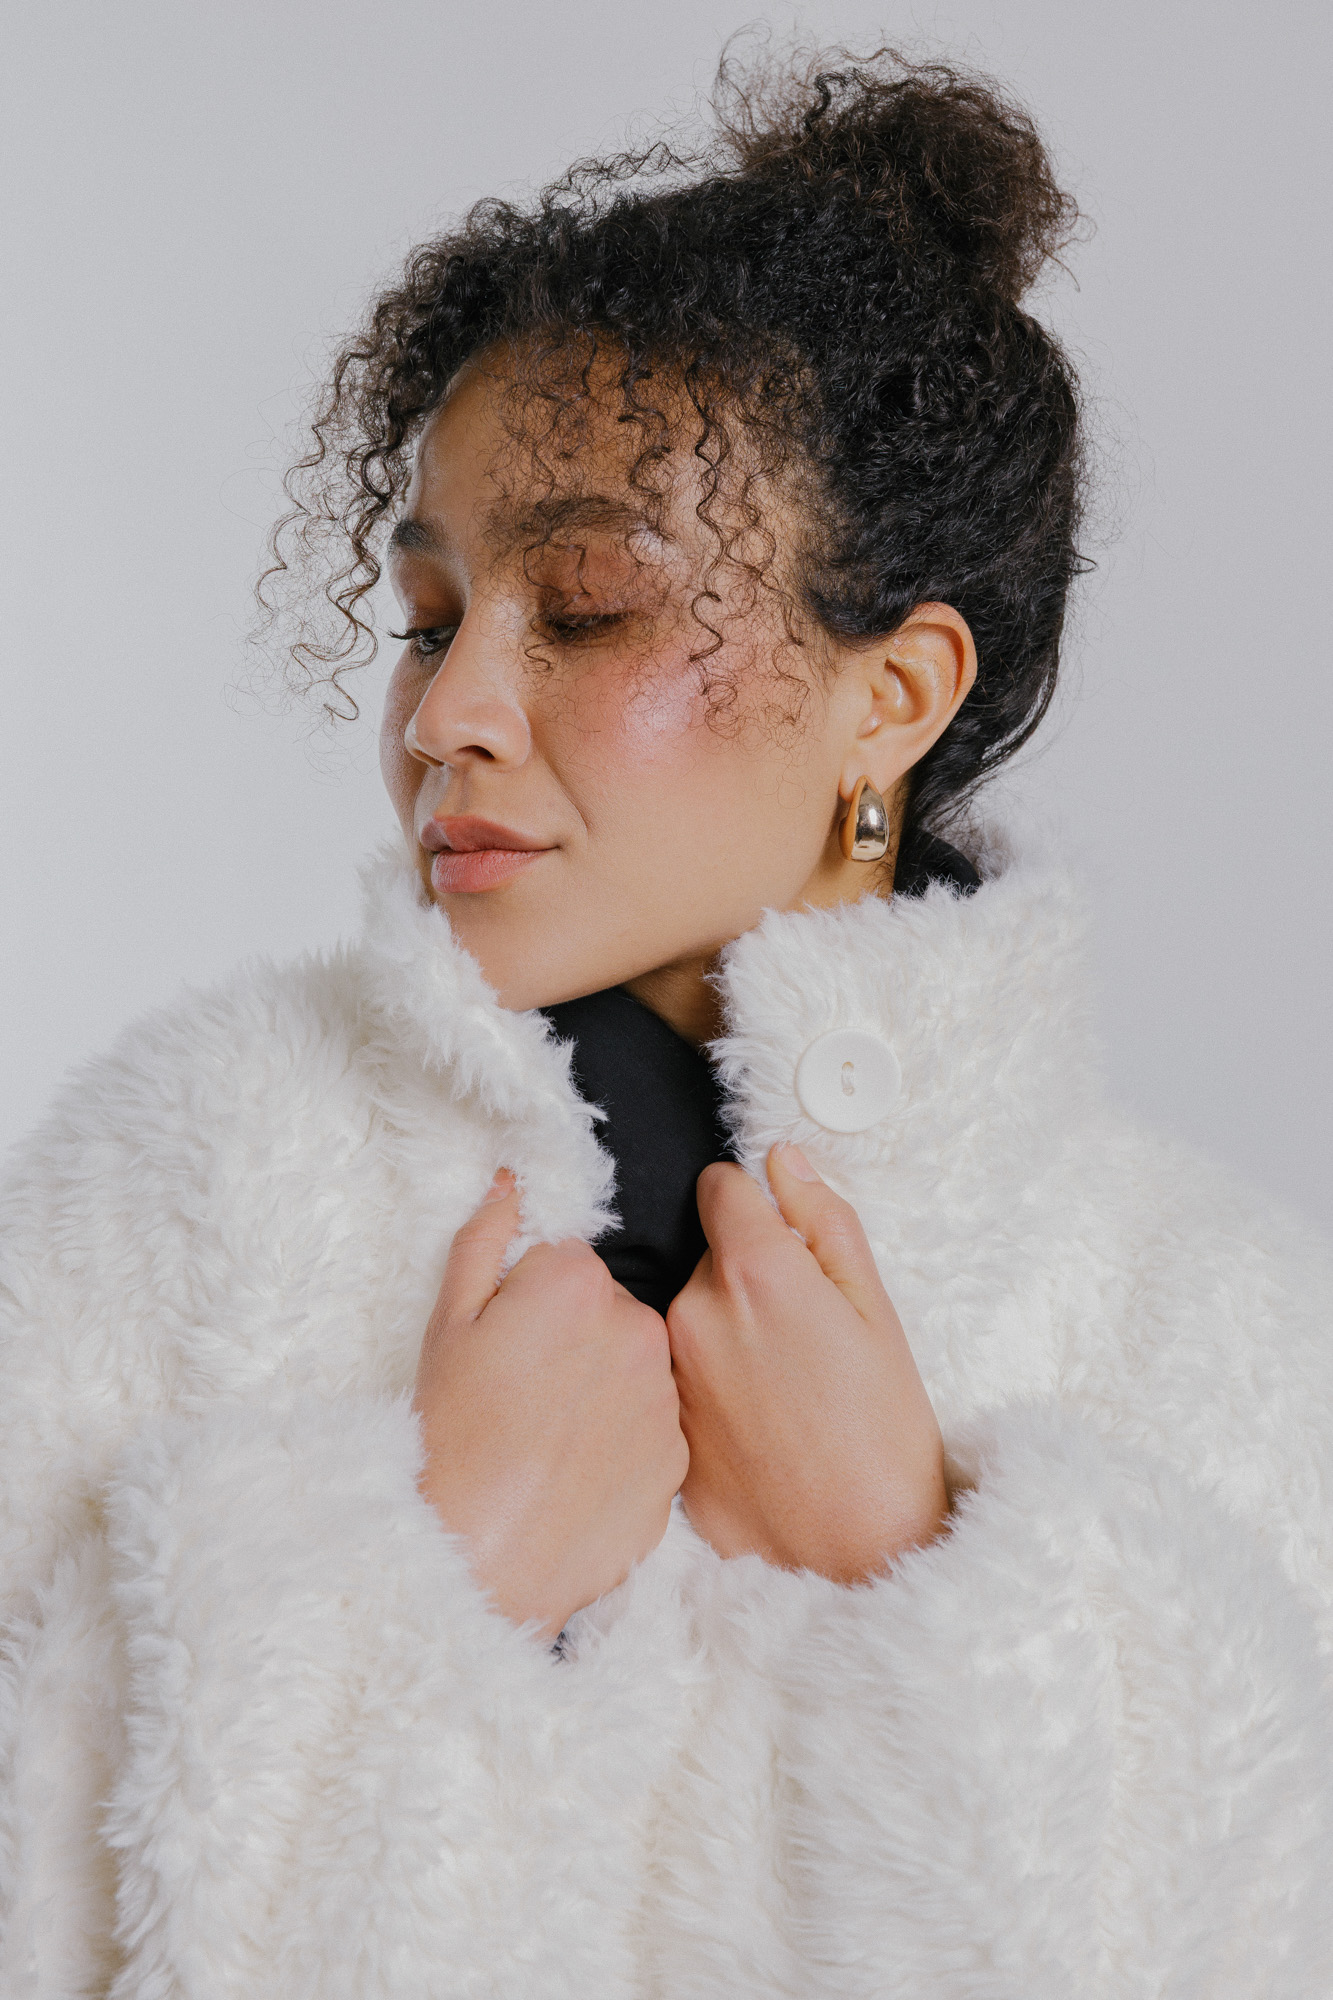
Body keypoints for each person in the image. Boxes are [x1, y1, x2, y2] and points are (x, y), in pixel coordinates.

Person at [2, 47, 1330, 1998]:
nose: (447, 711)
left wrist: (916, 1574)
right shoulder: (169, 1199)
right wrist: (420, 1573)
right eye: (430, 617)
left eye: (585, 609)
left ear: (891, 697)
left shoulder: (1228, 1339)